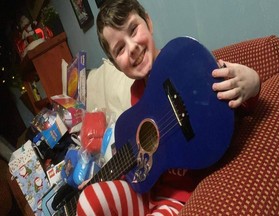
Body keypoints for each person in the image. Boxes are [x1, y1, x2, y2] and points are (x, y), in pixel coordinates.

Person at [77, 0, 260, 215]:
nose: (133, 47)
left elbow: (228, 101)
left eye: (134, 30)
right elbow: (139, 156)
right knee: (88, 199)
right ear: (117, 65)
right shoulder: (136, 96)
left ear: (149, 22)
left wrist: (253, 82)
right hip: (145, 191)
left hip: (177, 196)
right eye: (120, 49)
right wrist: (101, 178)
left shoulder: (183, 61)